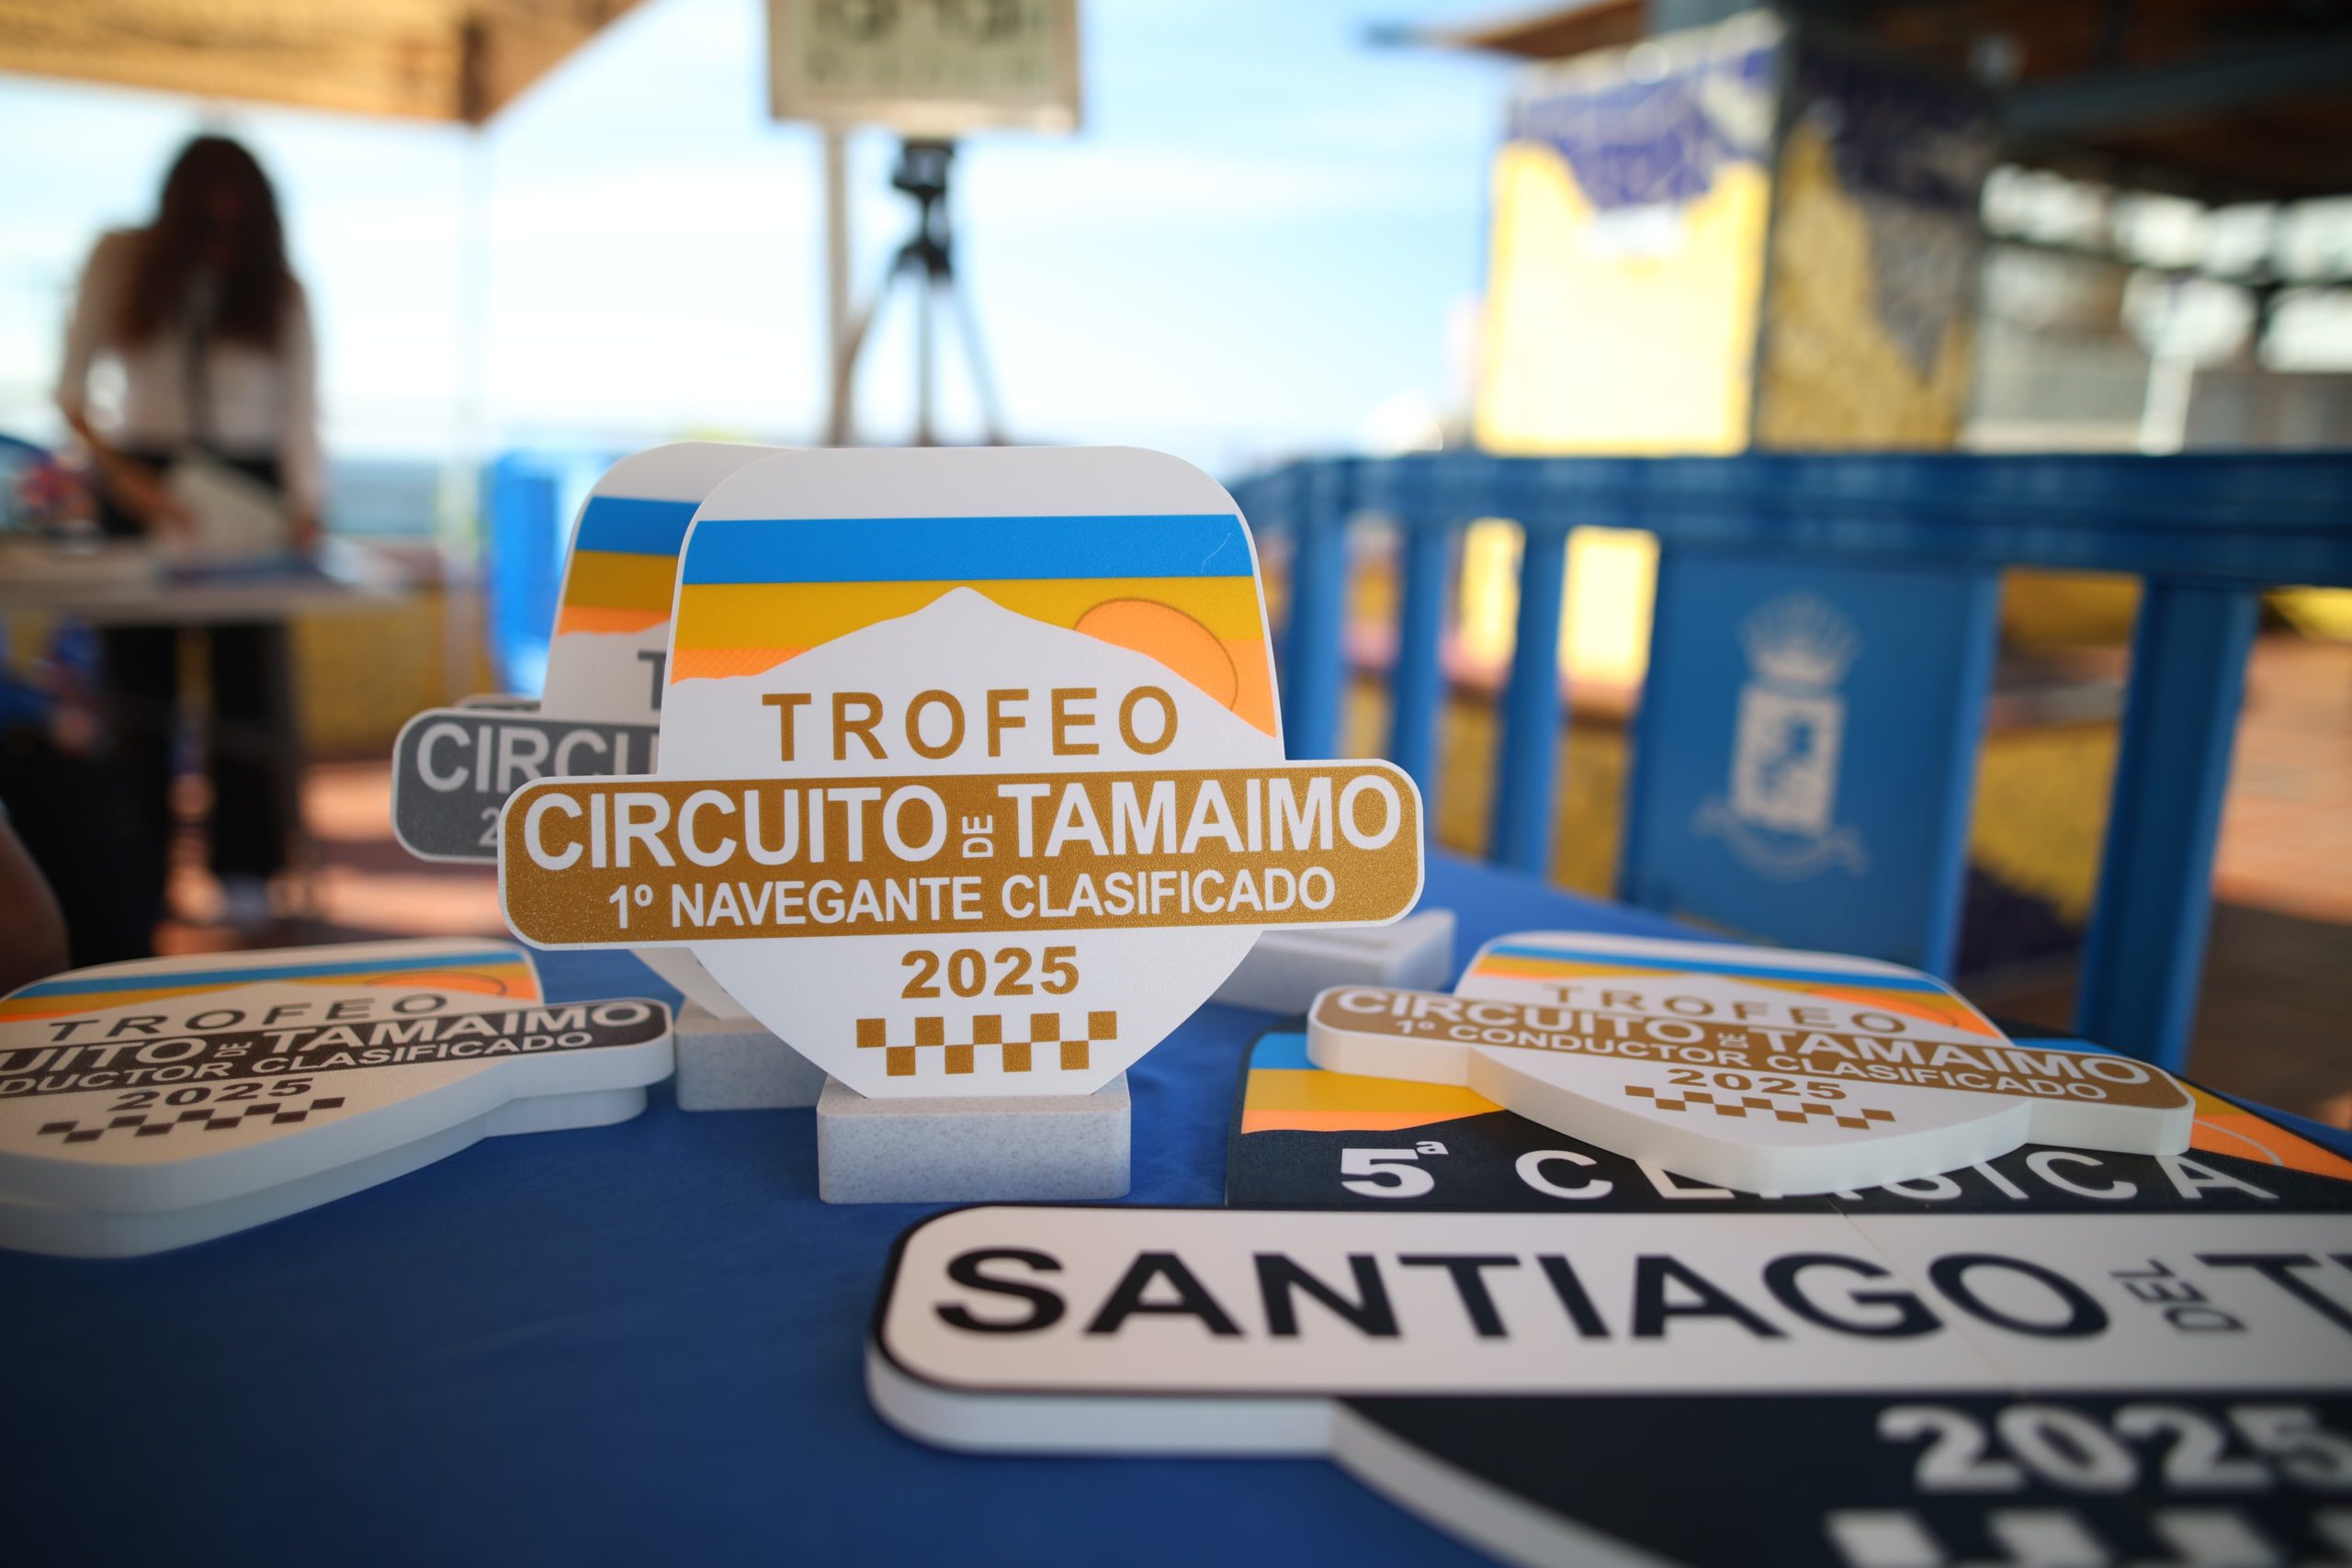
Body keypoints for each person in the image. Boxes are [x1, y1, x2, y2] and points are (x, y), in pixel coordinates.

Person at [53, 134, 321, 933]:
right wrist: (128, 481)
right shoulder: (122, 260)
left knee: (249, 687)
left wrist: (305, 505)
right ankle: (133, 871)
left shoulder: (278, 287)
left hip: (248, 491)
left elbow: (301, 410)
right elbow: (73, 389)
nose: (221, 222)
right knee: (137, 692)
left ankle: (247, 870)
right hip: (142, 477)